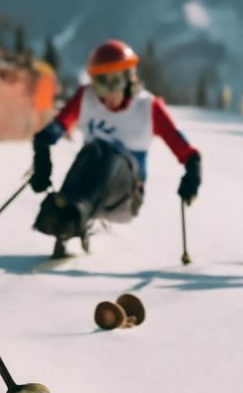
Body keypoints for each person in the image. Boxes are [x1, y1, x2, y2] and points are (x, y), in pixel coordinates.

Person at [29, 40, 201, 258]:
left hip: (127, 195)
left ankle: (76, 214)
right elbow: (55, 128)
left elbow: (186, 151)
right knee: (92, 151)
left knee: (110, 153)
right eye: (99, 84)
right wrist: (42, 153)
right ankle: (66, 216)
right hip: (89, 175)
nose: (105, 95)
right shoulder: (86, 97)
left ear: (129, 79)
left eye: (112, 83)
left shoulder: (148, 107)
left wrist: (193, 172)